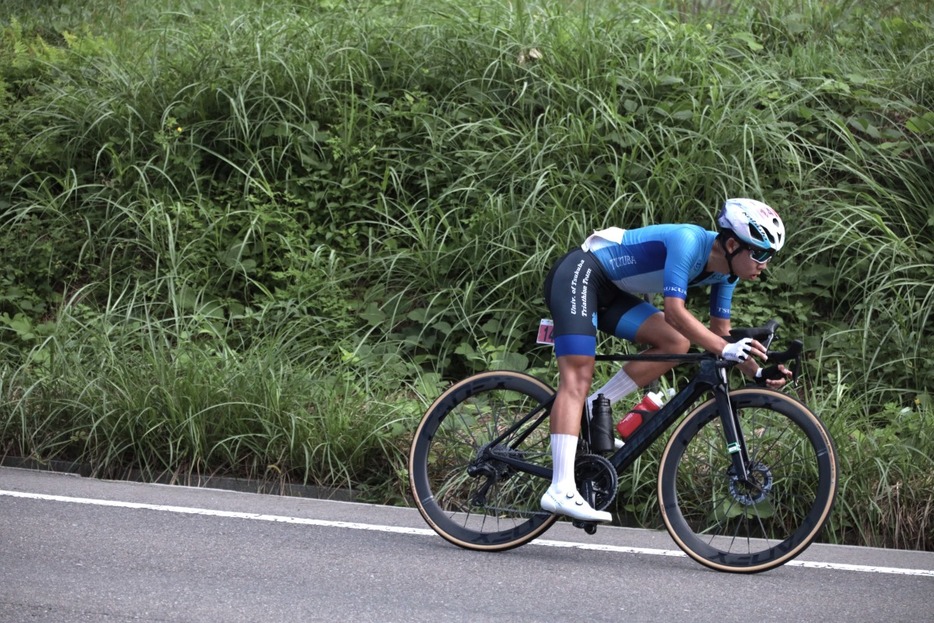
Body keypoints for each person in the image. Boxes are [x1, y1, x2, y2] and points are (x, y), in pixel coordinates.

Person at [540, 198, 793, 523]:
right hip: (581, 274)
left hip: (612, 292)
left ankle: (593, 407)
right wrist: (724, 347)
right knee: (577, 376)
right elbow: (674, 310)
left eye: (769, 256)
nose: (764, 264)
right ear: (732, 244)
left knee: (676, 343)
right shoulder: (687, 241)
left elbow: (721, 338)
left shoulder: (726, 276)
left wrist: (758, 372)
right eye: (759, 253)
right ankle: (560, 488)